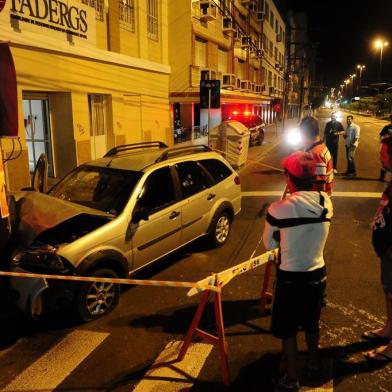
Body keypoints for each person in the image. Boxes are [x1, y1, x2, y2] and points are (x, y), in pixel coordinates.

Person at [263, 151, 333, 389]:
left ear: (288, 178)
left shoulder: (278, 208)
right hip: (317, 273)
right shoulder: (326, 203)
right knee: (312, 323)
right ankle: (313, 362)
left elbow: (269, 244)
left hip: (290, 278)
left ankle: (291, 378)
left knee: (288, 329)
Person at [363, 133, 392, 362]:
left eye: (383, 153)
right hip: (387, 252)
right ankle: (389, 328)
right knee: (389, 292)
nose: (379, 156)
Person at [299, 116, 334, 195]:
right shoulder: (321, 147)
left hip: (314, 203)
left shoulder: (315, 154)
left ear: (305, 133)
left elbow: (319, 188)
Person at [378, 114, 392, 182]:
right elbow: (381, 137)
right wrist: (385, 138)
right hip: (387, 147)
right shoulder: (387, 127)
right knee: (385, 162)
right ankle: (382, 177)